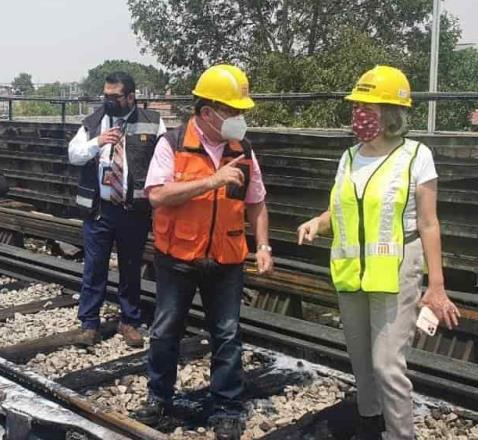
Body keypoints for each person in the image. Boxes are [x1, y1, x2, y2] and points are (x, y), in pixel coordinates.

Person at [297, 65, 461, 440]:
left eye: (369, 108)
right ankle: (371, 422)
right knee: (360, 359)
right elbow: (338, 212)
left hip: (396, 272)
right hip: (352, 274)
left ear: (391, 114)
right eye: (357, 107)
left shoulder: (416, 156)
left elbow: (430, 223)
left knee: (387, 364)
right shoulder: (349, 157)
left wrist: (436, 286)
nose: (359, 115)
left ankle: (401, 434)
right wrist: (316, 224)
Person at [134, 65, 273, 439]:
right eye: (233, 111)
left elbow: (257, 202)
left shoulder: (243, 150)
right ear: (208, 112)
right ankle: (159, 399)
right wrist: (211, 180)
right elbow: (158, 195)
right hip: (178, 257)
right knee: (165, 331)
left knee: (227, 334)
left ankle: (226, 407)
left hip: (226, 258)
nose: (240, 119)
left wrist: (262, 245)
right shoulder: (174, 143)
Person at [68, 72, 166, 347]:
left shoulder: (152, 123)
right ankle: (89, 324)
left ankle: (129, 321)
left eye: (114, 97)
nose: (108, 101)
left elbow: (164, 161)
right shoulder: (94, 121)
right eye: (105, 96)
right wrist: (97, 143)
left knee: (131, 268)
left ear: (131, 97)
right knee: (94, 268)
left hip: (133, 209)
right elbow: (73, 155)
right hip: (100, 210)